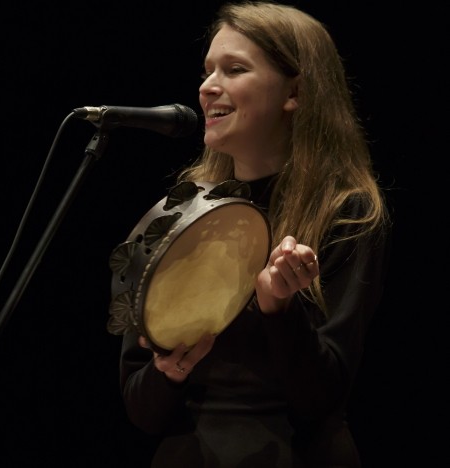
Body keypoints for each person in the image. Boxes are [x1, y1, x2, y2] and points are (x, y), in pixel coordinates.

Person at [113, 2, 391, 467]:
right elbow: (141, 410)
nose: (207, 87)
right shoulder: (181, 213)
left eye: (234, 69)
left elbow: (319, 401)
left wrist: (278, 310)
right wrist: (169, 372)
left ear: (294, 92)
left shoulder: (347, 213)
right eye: (207, 71)